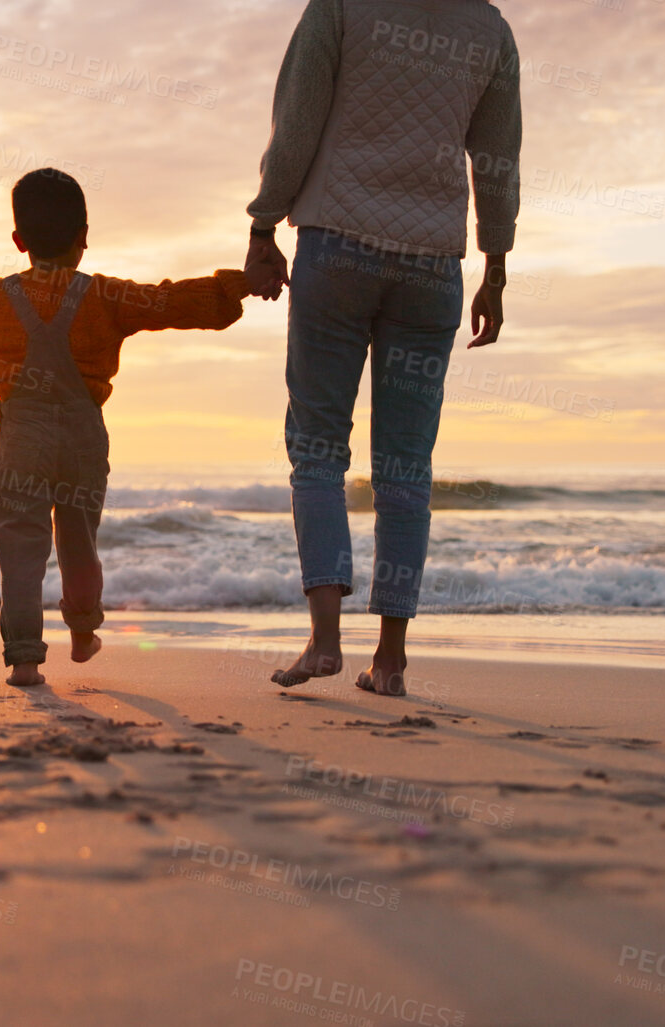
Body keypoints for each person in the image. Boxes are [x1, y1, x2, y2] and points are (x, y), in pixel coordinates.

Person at [0, 169, 253, 686]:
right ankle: (84, 632)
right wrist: (242, 284)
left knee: (20, 540)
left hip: (22, 432)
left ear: (19, 240)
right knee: (78, 538)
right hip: (84, 433)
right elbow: (172, 302)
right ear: (83, 237)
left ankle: (25, 659)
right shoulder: (107, 297)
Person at [242, 0, 522, 695]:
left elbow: (297, 120)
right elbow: (496, 161)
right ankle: (389, 659)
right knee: (405, 468)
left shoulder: (340, 7)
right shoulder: (488, 29)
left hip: (336, 245)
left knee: (316, 449)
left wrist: (262, 224)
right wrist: (495, 265)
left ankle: (323, 640)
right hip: (431, 265)